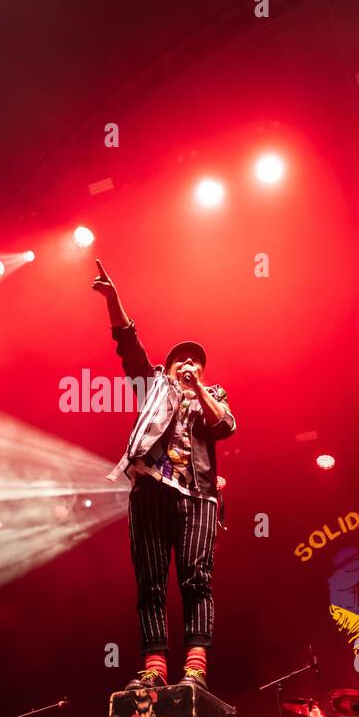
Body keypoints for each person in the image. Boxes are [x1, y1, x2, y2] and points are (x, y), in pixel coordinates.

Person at [92, 261, 236, 692]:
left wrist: (202, 393)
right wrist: (114, 300)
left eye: (196, 362)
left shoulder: (214, 398)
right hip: (150, 490)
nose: (188, 364)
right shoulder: (152, 384)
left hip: (198, 496)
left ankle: (195, 668)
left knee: (197, 577)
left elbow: (227, 426)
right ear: (169, 367)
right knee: (150, 580)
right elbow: (128, 345)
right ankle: (154, 667)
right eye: (180, 360)